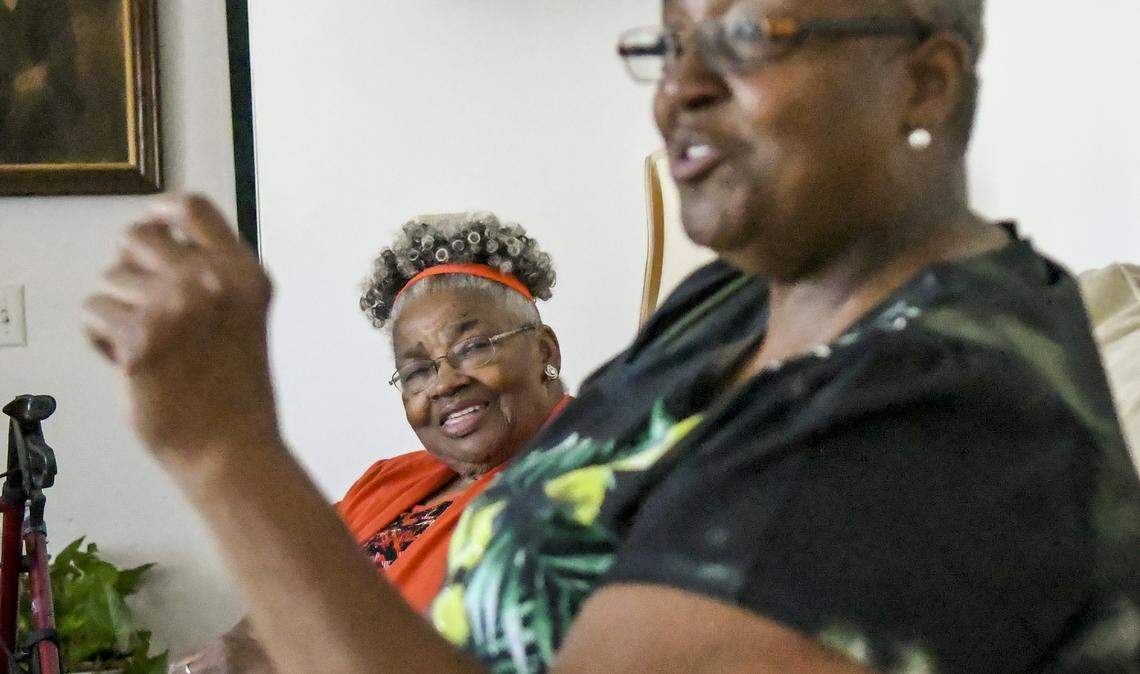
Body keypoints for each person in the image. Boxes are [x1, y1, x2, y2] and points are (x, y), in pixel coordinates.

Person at [85, 0, 1140, 671]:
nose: (678, 88)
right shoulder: (726, 306)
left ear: (925, 80)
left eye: (746, 36)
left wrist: (224, 446)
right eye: (670, 40)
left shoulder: (952, 399)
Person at [169, 213, 572, 673]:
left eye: (473, 347)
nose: (443, 384)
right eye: (417, 371)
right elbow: (282, 595)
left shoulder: (588, 477)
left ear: (545, 351)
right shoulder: (388, 481)